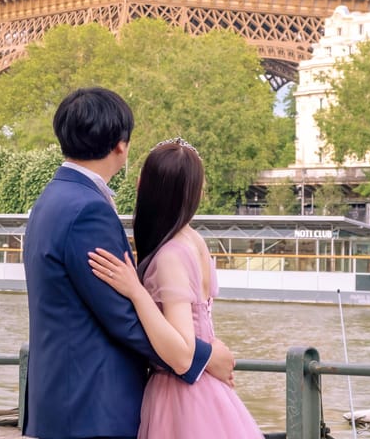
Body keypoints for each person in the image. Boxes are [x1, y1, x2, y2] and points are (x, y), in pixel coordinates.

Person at [22, 88, 235, 439]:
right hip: (93, 407)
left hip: (63, 401)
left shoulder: (51, 199)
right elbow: (123, 317)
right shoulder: (88, 211)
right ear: (121, 145)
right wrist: (202, 357)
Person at [88, 137, 263, 439]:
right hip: (202, 392)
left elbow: (182, 355)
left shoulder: (170, 254)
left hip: (180, 394)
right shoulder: (192, 240)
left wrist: (136, 290)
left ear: (145, 185)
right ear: (194, 193)